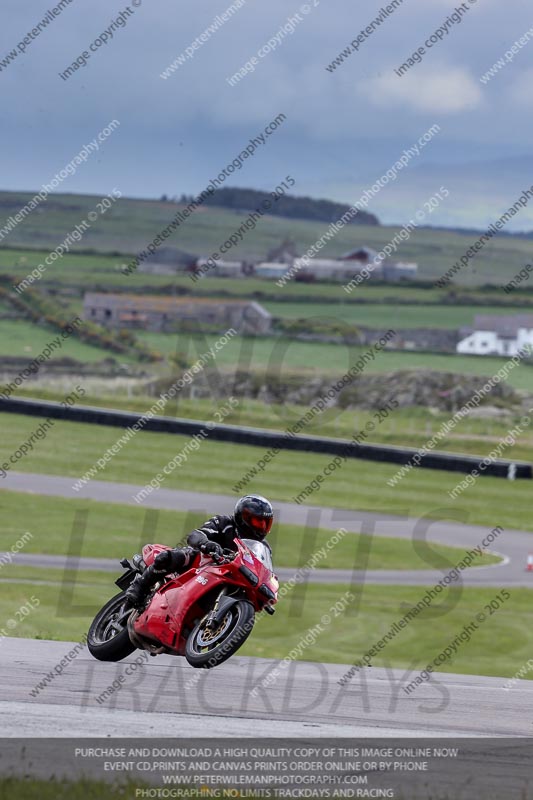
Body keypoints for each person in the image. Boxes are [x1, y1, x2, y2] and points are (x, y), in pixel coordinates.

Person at [124, 494, 274, 608]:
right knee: (173, 557)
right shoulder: (224, 523)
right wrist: (207, 544)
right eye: (257, 521)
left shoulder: (264, 548)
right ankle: (139, 587)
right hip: (202, 562)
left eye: (265, 523)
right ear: (242, 517)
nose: (261, 527)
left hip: (231, 578)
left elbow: (264, 571)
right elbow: (195, 535)